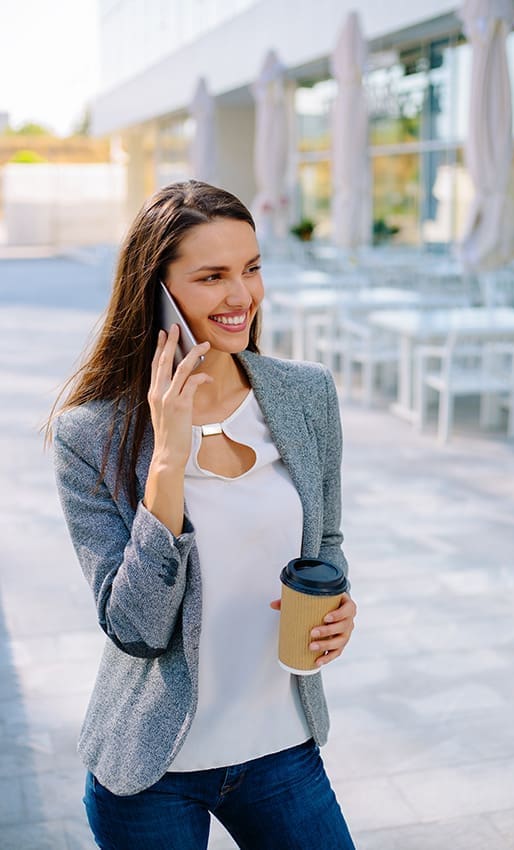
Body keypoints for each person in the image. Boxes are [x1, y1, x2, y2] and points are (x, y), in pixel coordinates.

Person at [49, 180, 357, 850]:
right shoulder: (90, 435)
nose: (241, 296)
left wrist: (336, 603)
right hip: (153, 768)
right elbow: (136, 628)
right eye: (212, 276)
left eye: (250, 268)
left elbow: (324, 537)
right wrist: (167, 460)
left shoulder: (305, 395)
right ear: (155, 291)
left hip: (280, 745)